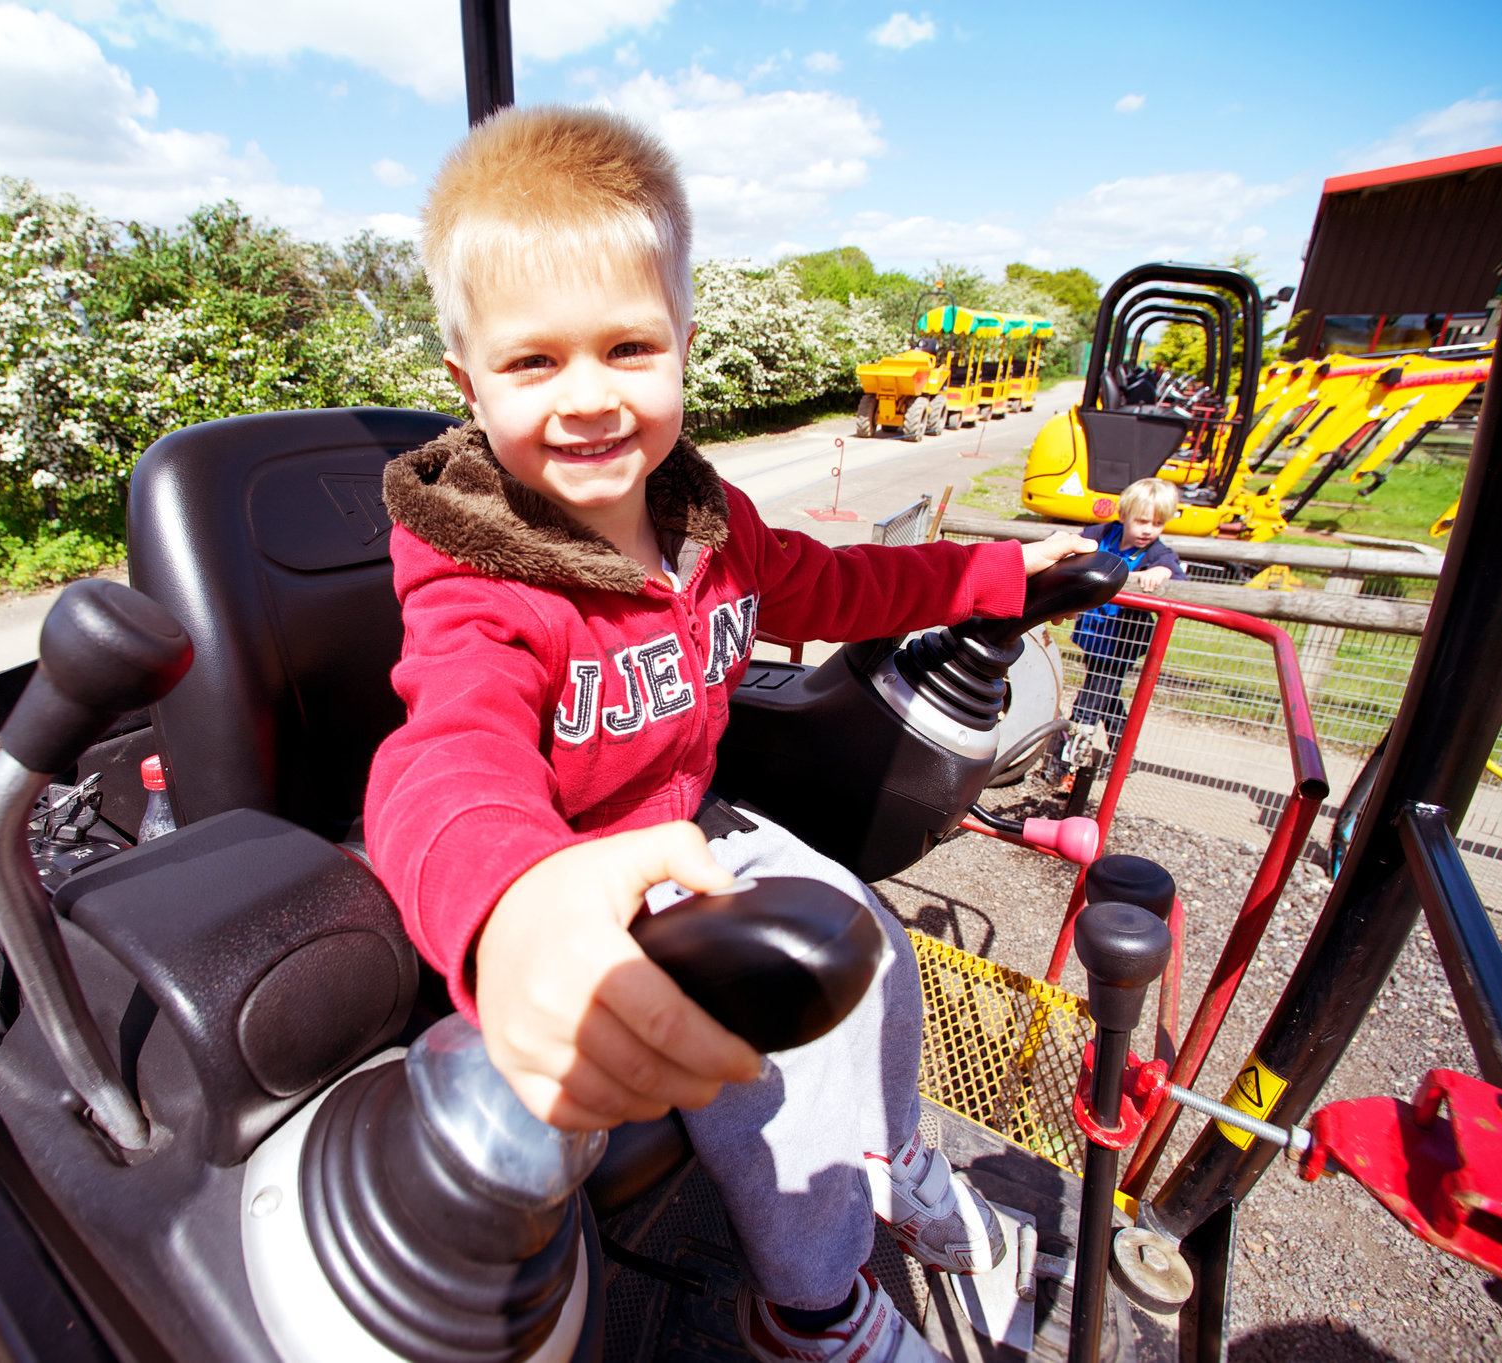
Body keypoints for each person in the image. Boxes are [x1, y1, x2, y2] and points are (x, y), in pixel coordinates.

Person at [364, 105, 1096, 1363]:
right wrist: (514, 904)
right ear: (466, 380)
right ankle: (809, 1309)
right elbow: (446, 757)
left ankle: (895, 1159)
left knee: (865, 939)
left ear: (684, 348)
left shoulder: (704, 522)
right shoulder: (477, 578)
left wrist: (998, 576)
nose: (589, 399)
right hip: (577, 869)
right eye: (533, 364)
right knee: (780, 1040)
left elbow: (836, 587)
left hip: (687, 827)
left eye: (627, 349)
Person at [1066, 477, 1188, 748]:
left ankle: (1063, 758)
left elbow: (1175, 573)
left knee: (1093, 694)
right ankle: (1123, 752)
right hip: (1095, 632)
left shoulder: (1157, 552)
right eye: (1142, 521)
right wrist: (1061, 542)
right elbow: (1075, 540)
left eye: (1158, 524)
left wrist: (1161, 572)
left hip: (1124, 638)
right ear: (1123, 516)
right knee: (1106, 693)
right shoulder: (1104, 533)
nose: (1149, 530)